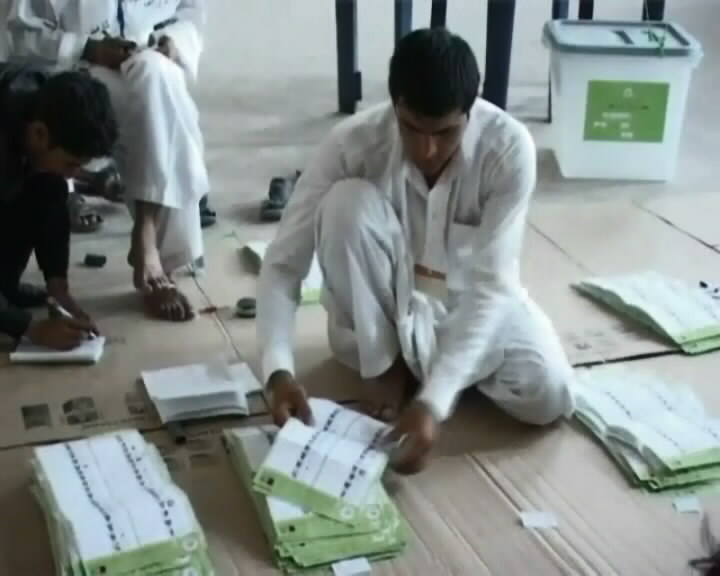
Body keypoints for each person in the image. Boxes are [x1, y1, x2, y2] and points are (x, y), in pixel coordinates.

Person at [256, 28, 576, 475]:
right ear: (394, 107)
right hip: (379, 310)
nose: (427, 149)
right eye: (411, 128)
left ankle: (432, 373)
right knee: (344, 205)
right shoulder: (351, 144)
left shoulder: (507, 149)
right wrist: (277, 372)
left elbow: (492, 288)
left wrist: (433, 401)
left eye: (445, 133)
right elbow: (284, 263)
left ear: (470, 110)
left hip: (466, 305)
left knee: (549, 394)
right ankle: (385, 365)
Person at [7, 0, 214, 322]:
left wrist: (173, 41)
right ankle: (150, 245)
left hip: (142, 65)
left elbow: (190, 12)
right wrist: (88, 48)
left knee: (160, 79)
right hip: (70, 72)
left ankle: (149, 240)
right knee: (34, 184)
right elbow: (20, 34)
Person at [0, 63, 118, 349]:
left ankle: (6, 289)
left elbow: (49, 195)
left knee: (49, 184)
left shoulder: (47, 98)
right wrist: (29, 328)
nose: (72, 175)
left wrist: (58, 289)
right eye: (70, 164)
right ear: (39, 133)